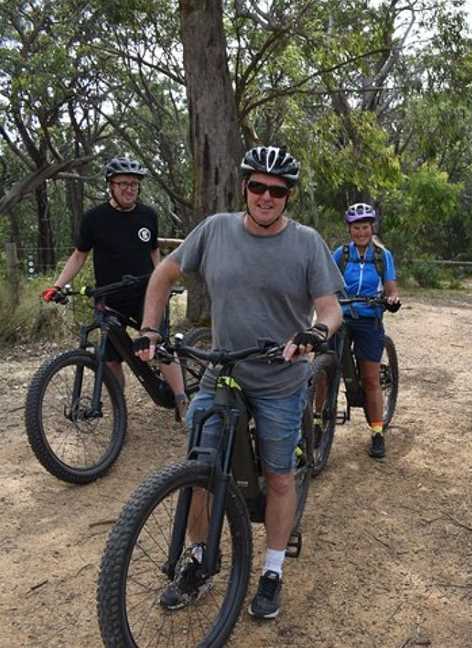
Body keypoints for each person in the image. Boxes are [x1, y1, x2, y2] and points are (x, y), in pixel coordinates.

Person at [135, 145, 344, 619]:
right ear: (244, 187)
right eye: (257, 187)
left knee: (278, 475)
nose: (266, 197)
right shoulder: (215, 230)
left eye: (277, 190)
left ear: (288, 197)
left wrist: (314, 331)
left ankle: (272, 570)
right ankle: (200, 560)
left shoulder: (307, 242)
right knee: (199, 473)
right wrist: (151, 330)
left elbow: (330, 308)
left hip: (279, 378)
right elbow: (164, 274)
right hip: (222, 371)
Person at [41, 156, 186, 415]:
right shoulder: (94, 218)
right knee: (110, 359)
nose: (129, 189)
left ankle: (182, 401)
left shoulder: (148, 215)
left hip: (145, 294)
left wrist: (162, 284)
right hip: (109, 297)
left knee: (159, 345)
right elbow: (79, 256)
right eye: (123, 184)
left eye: (134, 184)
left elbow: (155, 255)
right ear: (111, 185)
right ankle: (120, 414)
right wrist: (58, 285)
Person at [330, 202, 400, 458]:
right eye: (356, 228)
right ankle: (316, 420)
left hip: (369, 317)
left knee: (370, 378)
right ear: (349, 230)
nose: (361, 232)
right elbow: (324, 279)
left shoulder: (383, 256)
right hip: (340, 316)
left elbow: (391, 288)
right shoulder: (341, 254)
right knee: (324, 371)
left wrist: (391, 299)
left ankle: (377, 430)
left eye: (365, 227)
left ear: (372, 228)